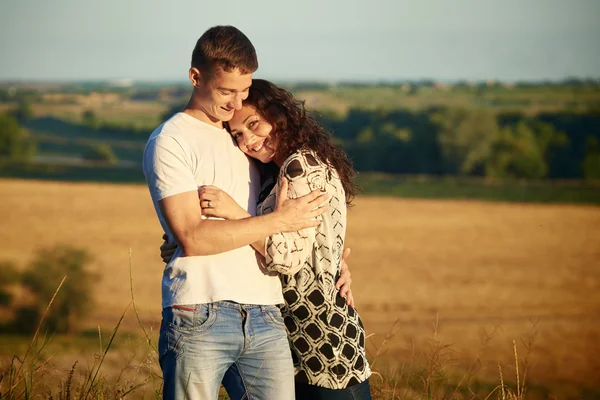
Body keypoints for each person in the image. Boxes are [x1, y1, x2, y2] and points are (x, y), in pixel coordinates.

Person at [143, 26, 334, 400]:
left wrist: (337, 259)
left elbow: (305, 208)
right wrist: (278, 221)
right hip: (198, 311)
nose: (236, 103)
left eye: (244, 90)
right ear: (195, 77)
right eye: (226, 91)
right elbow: (194, 238)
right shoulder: (170, 141)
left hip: (266, 309)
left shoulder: (247, 140)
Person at [162, 79, 372, 399]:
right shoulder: (276, 172)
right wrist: (185, 237)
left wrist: (237, 215)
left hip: (322, 339)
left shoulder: (300, 165)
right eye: (239, 135)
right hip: (299, 336)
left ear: (278, 114)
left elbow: (287, 258)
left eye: (254, 124)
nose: (250, 139)